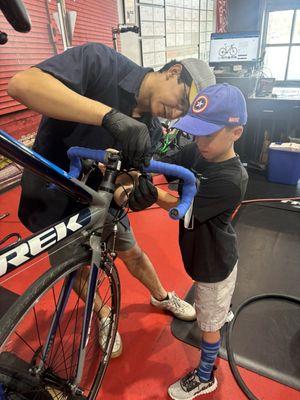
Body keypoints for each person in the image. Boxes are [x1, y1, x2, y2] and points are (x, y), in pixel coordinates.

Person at [7, 42, 216, 358]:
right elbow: (22, 85)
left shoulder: (153, 132)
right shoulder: (100, 62)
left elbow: (123, 186)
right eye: (179, 102)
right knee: (72, 268)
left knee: (132, 251)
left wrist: (138, 190)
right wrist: (108, 116)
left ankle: (161, 296)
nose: (174, 113)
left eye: (181, 114)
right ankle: (104, 314)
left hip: (101, 200)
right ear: (174, 72)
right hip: (53, 194)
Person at [131, 83, 249, 398]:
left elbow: (183, 205)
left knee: (208, 327)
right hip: (201, 255)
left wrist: (153, 193)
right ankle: (221, 309)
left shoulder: (232, 180)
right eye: (196, 133)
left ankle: (205, 374)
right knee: (211, 307)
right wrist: (137, 161)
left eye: (208, 135)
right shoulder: (200, 148)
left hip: (215, 265)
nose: (199, 142)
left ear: (235, 132)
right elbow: (168, 162)